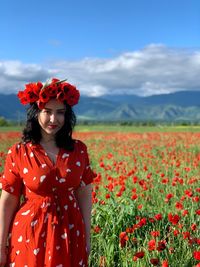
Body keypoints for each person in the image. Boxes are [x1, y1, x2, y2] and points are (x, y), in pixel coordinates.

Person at [0, 78, 96, 267]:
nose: (54, 119)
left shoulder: (78, 150)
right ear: (36, 113)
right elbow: (8, 199)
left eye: (60, 113)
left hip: (70, 231)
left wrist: (86, 237)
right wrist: (1, 244)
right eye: (47, 112)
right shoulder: (19, 152)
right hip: (30, 234)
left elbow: (84, 194)